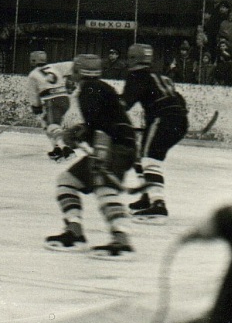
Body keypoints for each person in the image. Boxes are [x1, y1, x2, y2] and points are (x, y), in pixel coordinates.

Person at [44, 53, 137, 259]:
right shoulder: (100, 88)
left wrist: (96, 154)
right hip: (117, 146)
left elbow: (102, 130)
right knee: (67, 181)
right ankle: (75, 232)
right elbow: (100, 123)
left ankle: (121, 240)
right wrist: (79, 132)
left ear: (78, 71)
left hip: (114, 148)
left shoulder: (89, 91)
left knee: (104, 189)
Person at [120, 43, 189, 224]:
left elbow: (124, 104)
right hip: (176, 119)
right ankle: (148, 196)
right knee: (140, 157)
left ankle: (158, 205)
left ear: (133, 58)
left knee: (149, 160)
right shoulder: (159, 75)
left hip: (162, 119)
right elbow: (179, 100)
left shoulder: (137, 75)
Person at [25, 50, 76, 161]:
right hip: (65, 99)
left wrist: (36, 106)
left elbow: (33, 94)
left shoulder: (32, 75)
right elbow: (73, 65)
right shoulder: (55, 67)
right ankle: (56, 148)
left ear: (33, 61)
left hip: (52, 101)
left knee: (52, 126)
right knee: (47, 123)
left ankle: (66, 149)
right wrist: (72, 81)